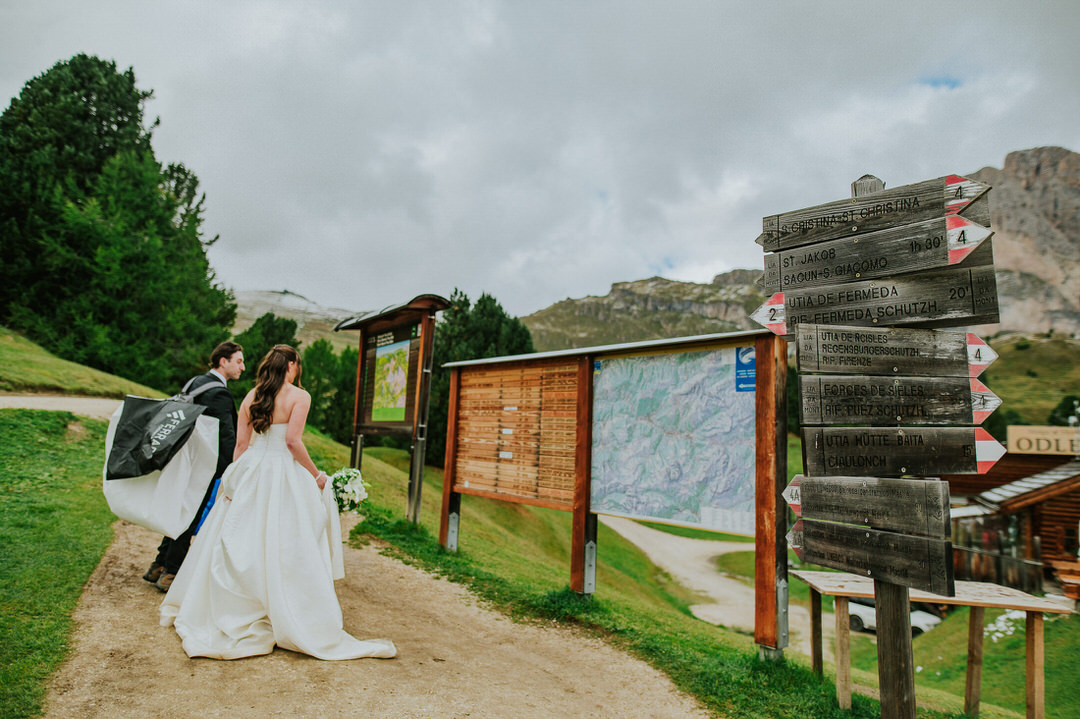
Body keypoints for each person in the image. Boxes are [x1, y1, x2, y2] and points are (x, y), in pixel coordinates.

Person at [159, 344, 396, 660]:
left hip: (251, 469)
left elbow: (241, 445)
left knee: (240, 535)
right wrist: (317, 475)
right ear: (293, 365)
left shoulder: (253, 396)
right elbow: (292, 442)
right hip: (283, 471)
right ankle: (282, 606)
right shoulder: (300, 397)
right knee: (288, 538)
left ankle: (233, 606)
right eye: (298, 364)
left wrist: (231, 481)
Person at [143, 341, 245, 592]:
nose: (243, 367)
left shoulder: (194, 382)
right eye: (239, 361)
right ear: (224, 361)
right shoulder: (219, 393)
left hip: (184, 458)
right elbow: (226, 437)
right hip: (204, 464)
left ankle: (158, 564)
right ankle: (171, 572)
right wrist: (232, 470)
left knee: (181, 510)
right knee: (190, 515)